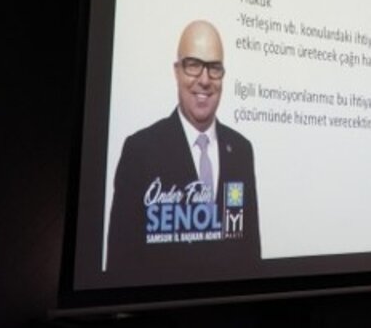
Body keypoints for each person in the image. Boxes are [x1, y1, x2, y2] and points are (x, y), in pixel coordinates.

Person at [106, 20, 259, 281]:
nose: (204, 80)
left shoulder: (242, 151)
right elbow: (120, 265)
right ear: (177, 71)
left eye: (214, 68)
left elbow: (250, 255)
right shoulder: (140, 151)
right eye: (193, 65)